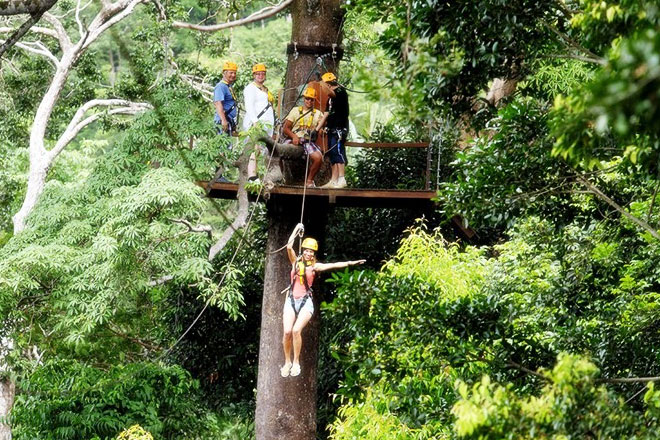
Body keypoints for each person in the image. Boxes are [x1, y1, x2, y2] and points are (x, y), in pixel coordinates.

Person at [281, 223, 365, 377]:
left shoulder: (315, 267)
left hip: (306, 302)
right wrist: (296, 229)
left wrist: (350, 263)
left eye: (311, 252)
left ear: (313, 254)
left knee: (295, 330)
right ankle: (287, 362)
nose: (308, 253)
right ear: (303, 251)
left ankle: (296, 362)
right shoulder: (295, 262)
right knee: (287, 332)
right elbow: (288, 247)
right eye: (306, 250)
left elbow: (333, 265)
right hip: (291, 300)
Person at [282, 87, 325, 188]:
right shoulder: (295, 111)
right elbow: (286, 128)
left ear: (314, 100)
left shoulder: (318, 114)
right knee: (279, 152)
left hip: (307, 141)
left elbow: (321, 127)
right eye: (307, 98)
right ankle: (281, 176)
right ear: (304, 99)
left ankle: (309, 180)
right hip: (294, 139)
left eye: (311, 99)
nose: (309, 101)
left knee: (318, 158)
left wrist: (322, 131)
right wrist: (294, 136)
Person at [243, 63, 275, 181]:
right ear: (254, 75)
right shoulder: (250, 88)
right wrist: (255, 121)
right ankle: (252, 176)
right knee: (254, 148)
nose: (261, 76)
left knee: (261, 150)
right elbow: (249, 106)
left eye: (263, 73)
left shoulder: (265, 89)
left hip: (266, 125)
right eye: (258, 74)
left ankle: (257, 175)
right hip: (256, 123)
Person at [319, 72, 350, 189]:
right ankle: (333, 180)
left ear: (329, 84)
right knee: (332, 153)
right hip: (331, 128)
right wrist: (317, 129)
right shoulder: (330, 100)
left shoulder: (340, 92)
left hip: (340, 128)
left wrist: (321, 82)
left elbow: (330, 92)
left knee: (338, 151)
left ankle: (342, 178)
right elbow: (325, 115)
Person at [214, 61, 239, 136]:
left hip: (229, 120)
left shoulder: (228, 86)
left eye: (234, 73)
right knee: (223, 146)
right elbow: (218, 103)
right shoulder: (221, 86)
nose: (233, 75)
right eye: (231, 73)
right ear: (224, 73)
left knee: (229, 146)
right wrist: (223, 120)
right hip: (223, 121)